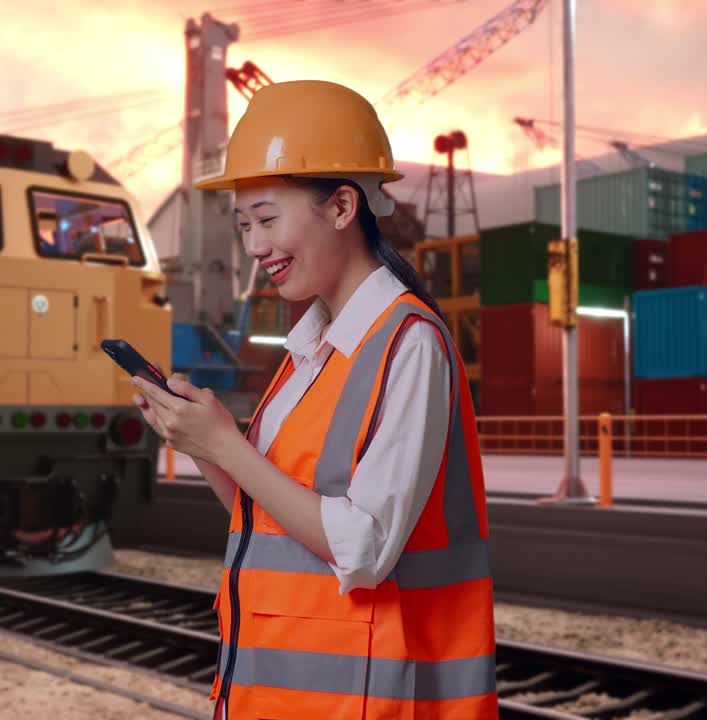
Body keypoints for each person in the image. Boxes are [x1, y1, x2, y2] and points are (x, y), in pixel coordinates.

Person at [131, 80, 496, 720]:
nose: (254, 246)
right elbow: (267, 517)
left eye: (267, 219)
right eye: (244, 226)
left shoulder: (409, 344)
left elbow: (364, 548)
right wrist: (201, 443)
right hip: (275, 696)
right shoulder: (310, 348)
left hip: (365, 702)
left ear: (342, 206)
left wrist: (226, 445)